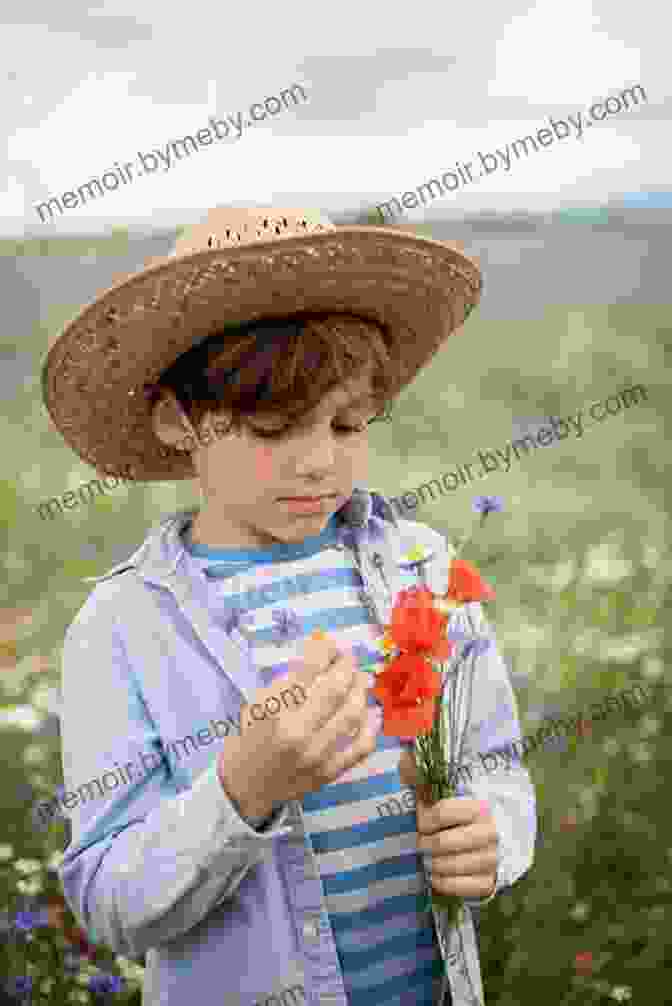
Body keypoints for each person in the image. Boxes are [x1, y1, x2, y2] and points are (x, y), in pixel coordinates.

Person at [42, 206, 536, 1006]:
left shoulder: (424, 568)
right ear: (178, 420)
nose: (318, 461)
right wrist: (244, 787)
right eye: (274, 428)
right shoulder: (121, 627)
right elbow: (109, 901)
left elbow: (495, 765)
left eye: (347, 424)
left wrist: (493, 836)